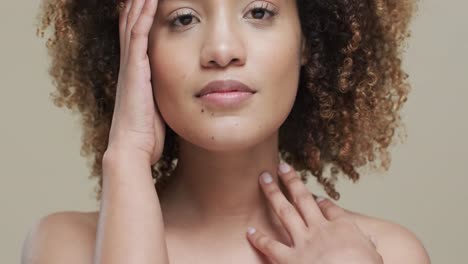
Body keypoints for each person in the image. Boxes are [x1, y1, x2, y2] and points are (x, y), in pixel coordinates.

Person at [22, 0, 431, 263]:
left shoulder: (387, 253)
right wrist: (127, 153)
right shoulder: (67, 247)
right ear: (138, 50)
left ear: (307, 40)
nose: (221, 50)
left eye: (258, 11)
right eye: (184, 18)